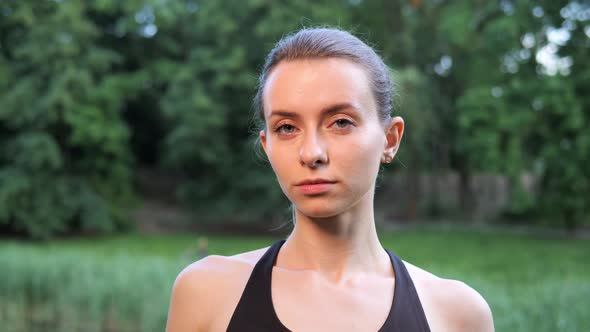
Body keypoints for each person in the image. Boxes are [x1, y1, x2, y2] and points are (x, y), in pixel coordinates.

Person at [165, 27, 494, 332]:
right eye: (287, 128)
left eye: (340, 122)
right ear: (267, 147)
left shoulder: (456, 314)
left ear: (390, 139)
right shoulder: (206, 292)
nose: (311, 153)